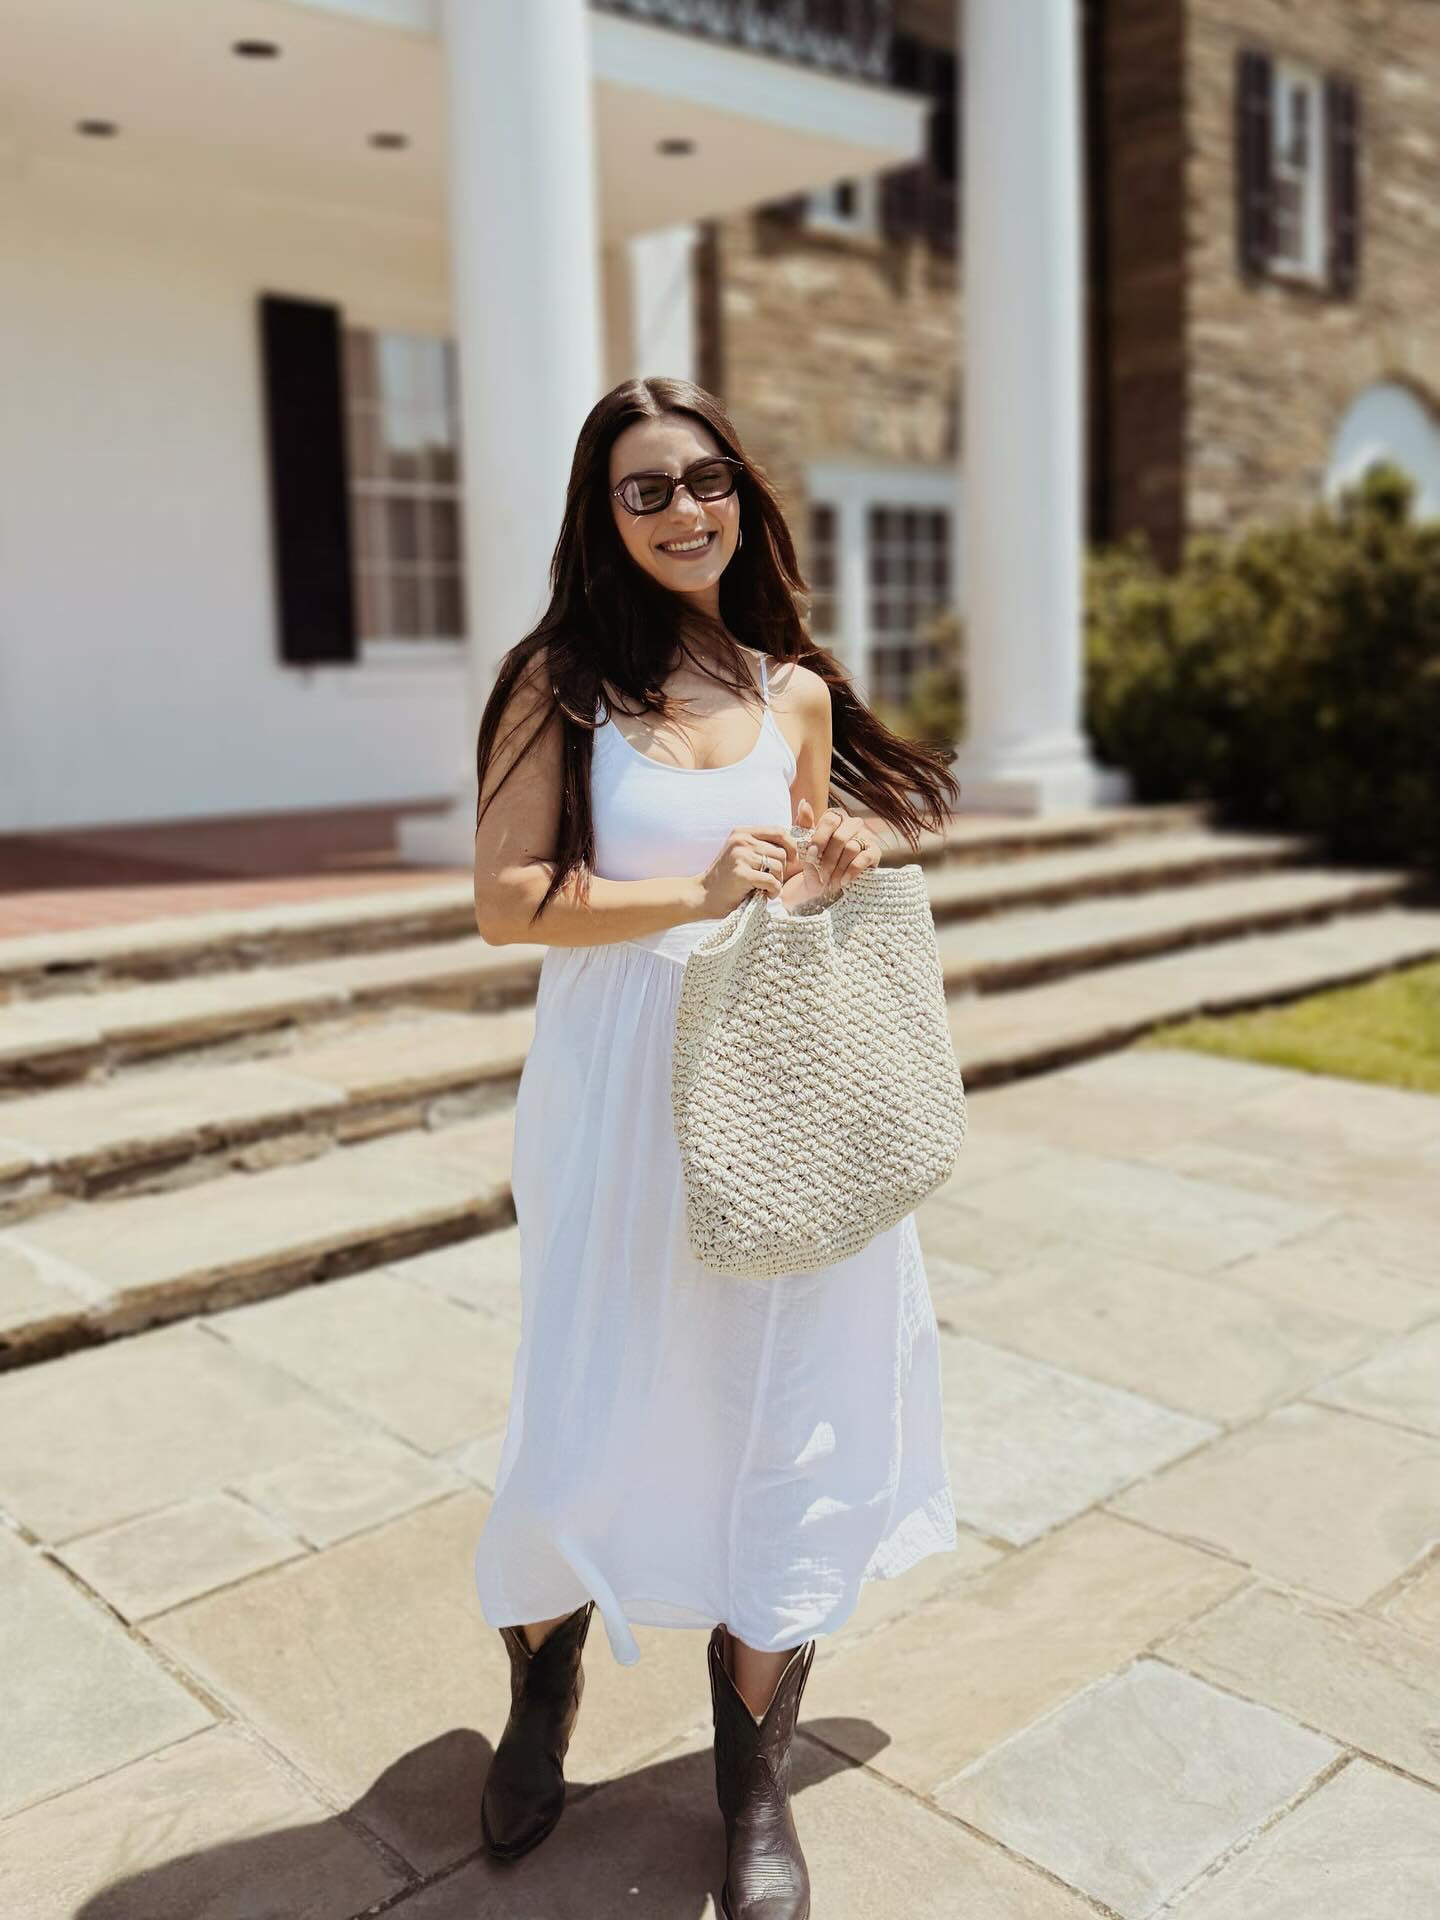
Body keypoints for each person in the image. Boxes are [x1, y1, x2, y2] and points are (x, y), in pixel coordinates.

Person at [469, 376, 963, 1917]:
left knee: (787, 1416)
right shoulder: (560, 681)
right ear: (601, 517)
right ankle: (543, 1688)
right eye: (644, 490)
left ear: (740, 497)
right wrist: (693, 892)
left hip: (780, 1094)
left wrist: (832, 856)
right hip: (619, 1091)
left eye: (705, 482)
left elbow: (801, 899)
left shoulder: (791, 688)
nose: (684, 511)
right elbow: (505, 900)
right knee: (590, 1407)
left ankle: (752, 1783)